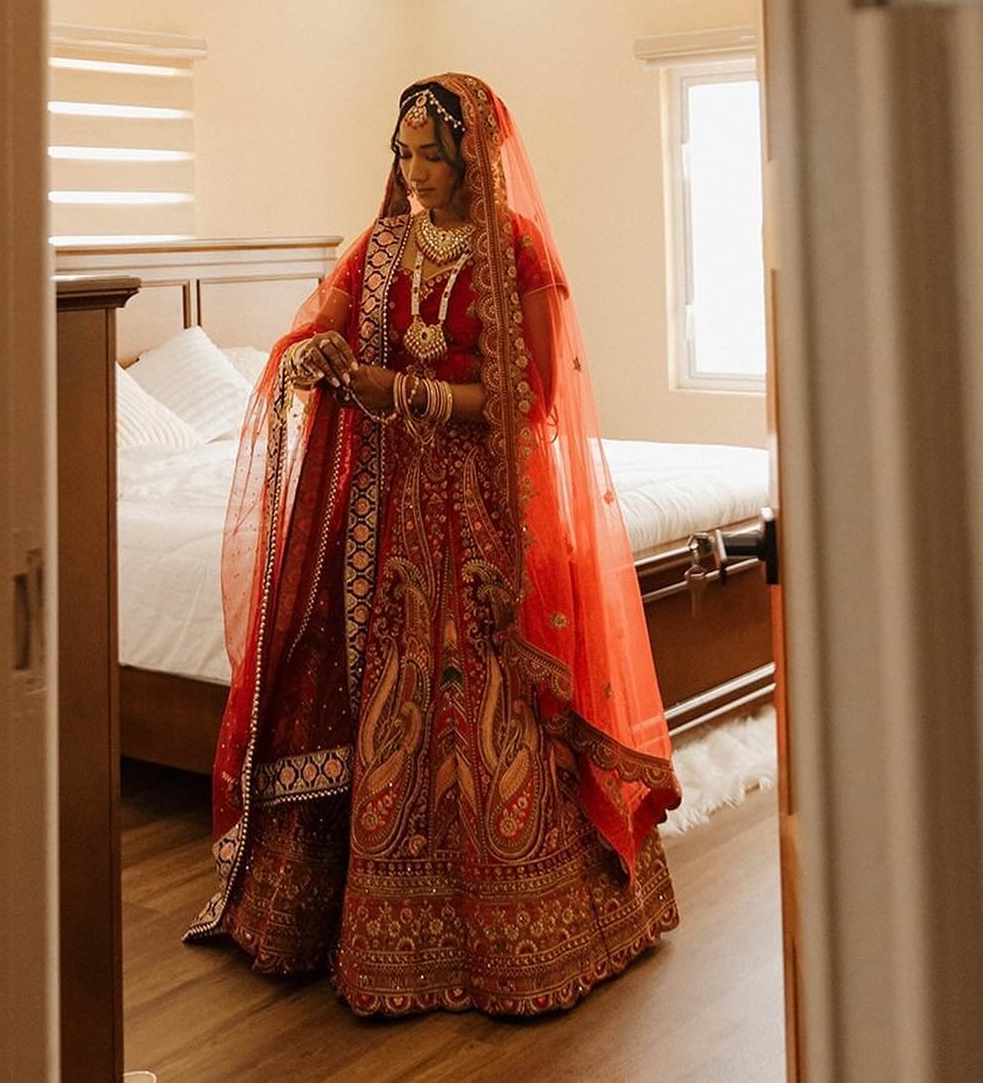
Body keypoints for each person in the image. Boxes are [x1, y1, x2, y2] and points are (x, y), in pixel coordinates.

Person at [185, 74, 680, 1015]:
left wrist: (399, 392)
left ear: (470, 158)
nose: (413, 172)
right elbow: (307, 341)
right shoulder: (377, 250)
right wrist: (314, 361)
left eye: (430, 155)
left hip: (484, 507)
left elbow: (525, 401)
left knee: (488, 686)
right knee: (389, 682)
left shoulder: (516, 252)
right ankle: (371, 916)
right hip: (384, 507)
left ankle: (531, 923)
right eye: (403, 153)